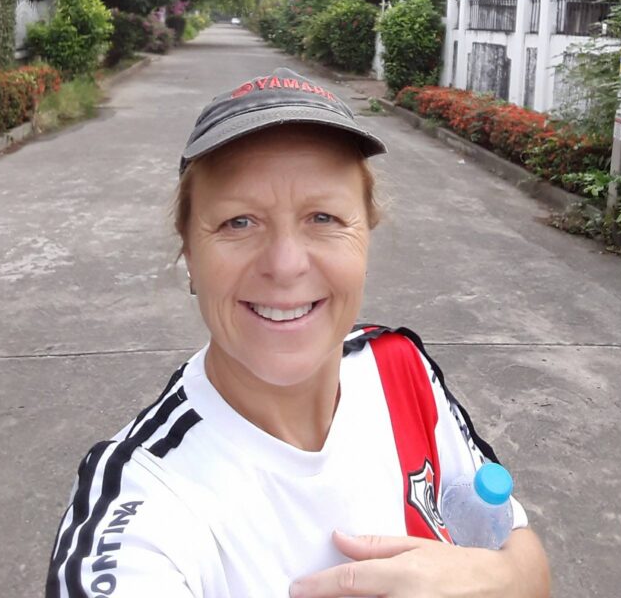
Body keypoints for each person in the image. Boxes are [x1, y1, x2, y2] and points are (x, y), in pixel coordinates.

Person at [46, 66, 550, 598]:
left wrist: (498, 579)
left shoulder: (399, 367)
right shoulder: (148, 499)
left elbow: (520, 552)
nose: (285, 265)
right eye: (239, 222)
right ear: (189, 251)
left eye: (324, 218)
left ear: (366, 234)